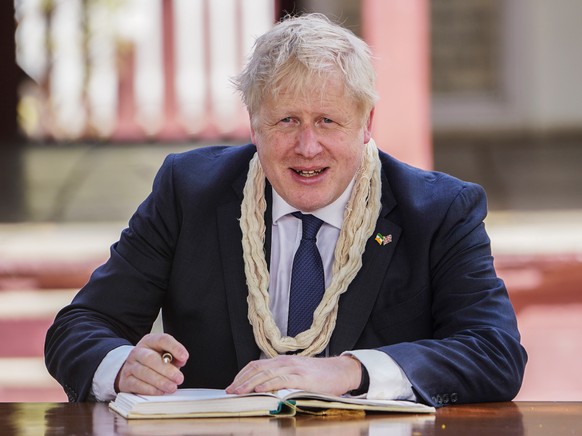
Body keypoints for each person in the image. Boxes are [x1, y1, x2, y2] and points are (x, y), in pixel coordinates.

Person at [45, 13, 527, 407]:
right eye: (286, 121)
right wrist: (120, 365)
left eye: (327, 121)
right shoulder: (189, 192)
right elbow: (78, 327)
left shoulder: (440, 211)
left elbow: (495, 353)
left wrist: (348, 370)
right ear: (254, 125)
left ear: (366, 124)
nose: (307, 146)